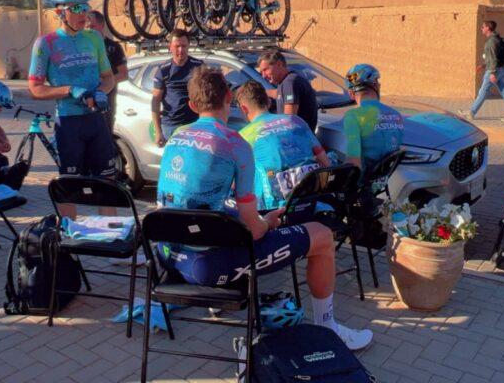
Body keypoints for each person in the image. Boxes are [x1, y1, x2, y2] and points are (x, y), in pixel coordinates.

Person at [156, 66, 373, 350]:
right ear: (229, 97)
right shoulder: (236, 144)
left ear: (192, 105)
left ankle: (221, 298)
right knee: (321, 236)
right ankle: (327, 327)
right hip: (205, 266)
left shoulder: (176, 135)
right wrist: (268, 222)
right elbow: (255, 231)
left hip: (167, 254)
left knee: (226, 214)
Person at [28, 0, 117, 214]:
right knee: (69, 187)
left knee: (107, 185)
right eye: (76, 7)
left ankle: (110, 232)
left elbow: (109, 78)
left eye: (85, 6)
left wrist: (100, 92)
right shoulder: (45, 44)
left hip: (96, 120)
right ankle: (69, 231)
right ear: (60, 11)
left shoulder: (94, 38)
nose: (83, 13)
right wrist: (69, 90)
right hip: (68, 123)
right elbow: (35, 89)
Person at [235, 81, 330, 210]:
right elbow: (324, 161)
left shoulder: (243, 136)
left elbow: (236, 183)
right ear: (268, 102)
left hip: (272, 209)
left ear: (243, 109)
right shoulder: (296, 120)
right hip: (310, 198)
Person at [342, 64, 404, 180]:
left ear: (351, 93)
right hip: (385, 181)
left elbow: (354, 161)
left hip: (364, 182)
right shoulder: (396, 115)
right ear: (376, 86)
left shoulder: (353, 116)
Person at [459, 20, 504, 122]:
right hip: (502, 69)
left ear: (488, 28)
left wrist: (492, 73)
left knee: (483, 91)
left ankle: (471, 113)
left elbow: (493, 58)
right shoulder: (498, 39)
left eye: (483, 27)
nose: (481, 29)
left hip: (494, 70)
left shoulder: (491, 41)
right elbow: (494, 57)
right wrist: (484, 65)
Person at [151, 29, 202, 146]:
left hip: (194, 124)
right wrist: (158, 132)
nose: (181, 50)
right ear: (170, 47)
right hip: (171, 126)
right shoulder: (163, 70)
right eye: (177, 46)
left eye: (184, 46)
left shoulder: (198, 66)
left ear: (189, 46)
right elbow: (155, 101)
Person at [257, 49, 318, 133]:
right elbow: (278, 93)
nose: (263, 76)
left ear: (279, 64)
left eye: (265, 70)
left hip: (298, 138)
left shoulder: (289, 83)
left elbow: (289, 120)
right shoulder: (287, 81)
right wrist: (259, 93)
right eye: (261, 72)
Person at [86, 10, 128, 132]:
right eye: (86, 27)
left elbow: (123, 74)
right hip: (85, 106)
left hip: (105, 105)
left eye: (92, 26)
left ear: (102, 26)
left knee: (104, 140)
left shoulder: (113, 47)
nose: (89, 30)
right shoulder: (82, 48)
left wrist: (104, 82)